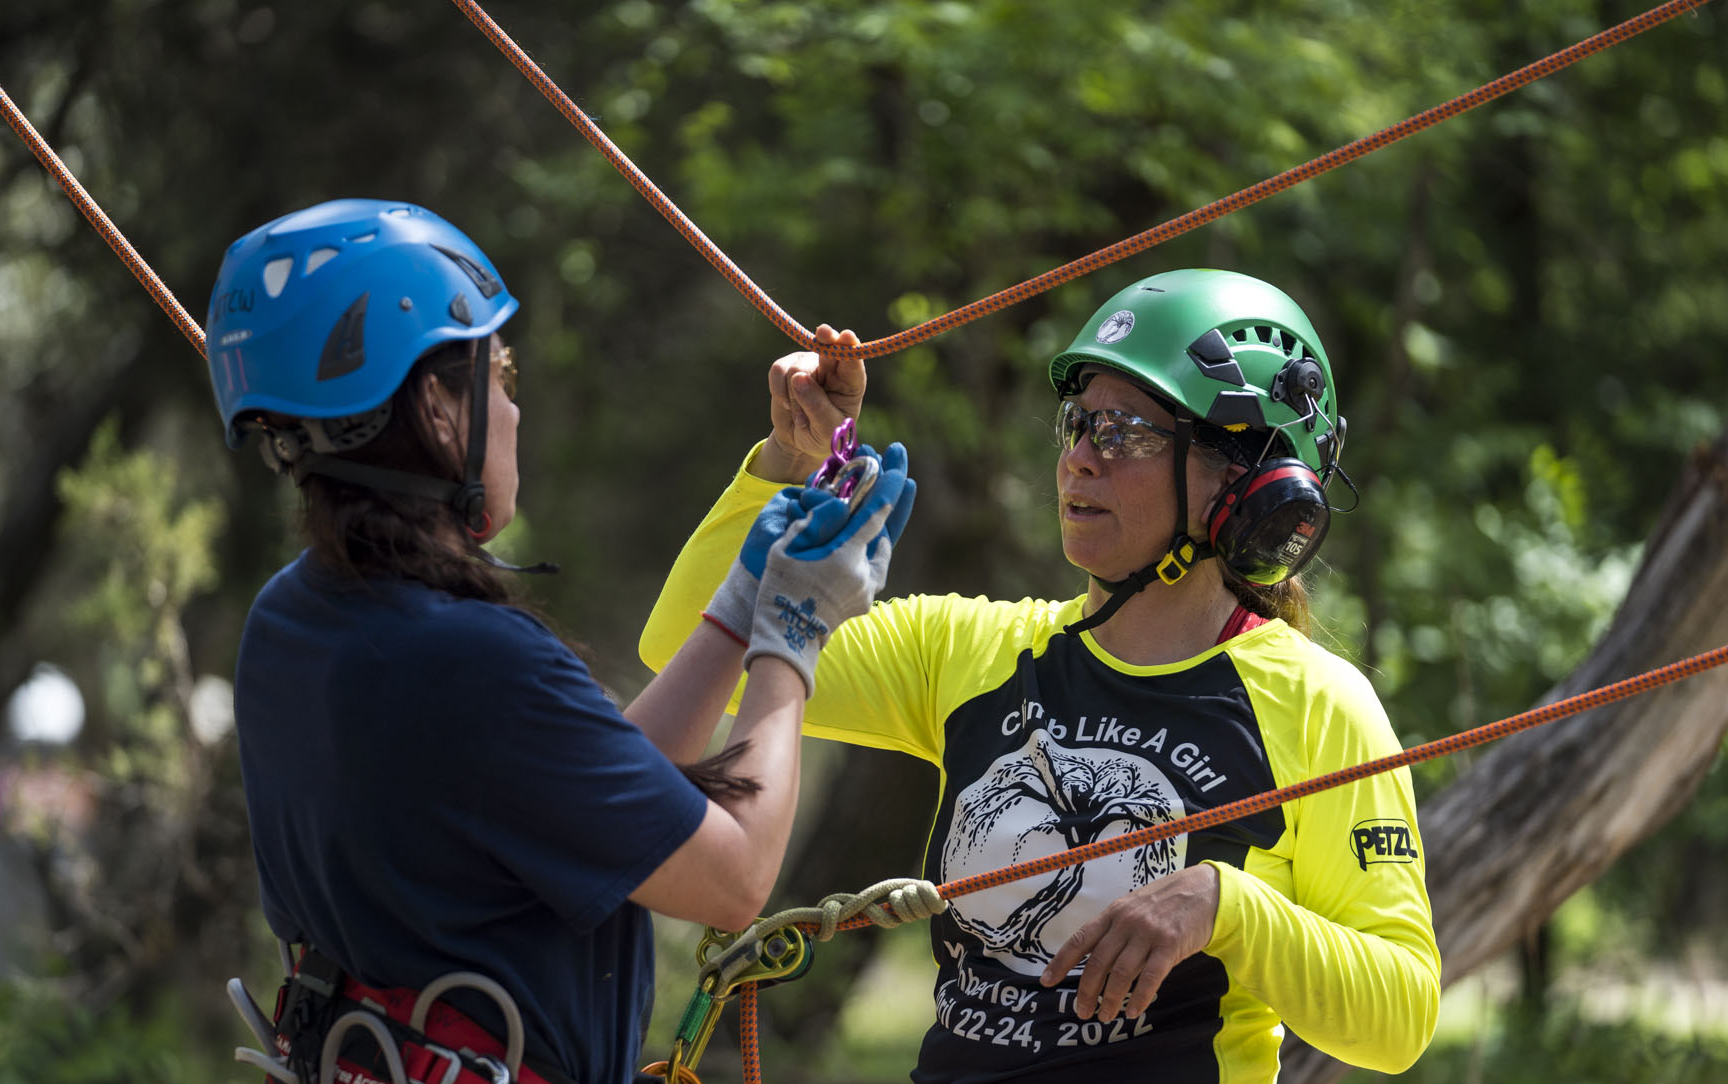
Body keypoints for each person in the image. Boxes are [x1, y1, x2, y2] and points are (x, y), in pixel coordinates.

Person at [639, 269, 1440, 1083]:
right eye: (1077, 424)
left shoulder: (1319, 705)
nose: (1080, 461)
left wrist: (1228, 909)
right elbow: (689, 647)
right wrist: (789, 457)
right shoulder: (966, 649)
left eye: (1125, 433)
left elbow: (1400, 1017)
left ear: (1245, 476)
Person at [207, 198, 914, 1084]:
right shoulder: (468, 659)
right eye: (498, 375)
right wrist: (794, 636)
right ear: (436, 406)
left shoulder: (294, 621)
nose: (510, 409)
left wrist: (740, 607)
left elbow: (596, 796)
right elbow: (732, 880)